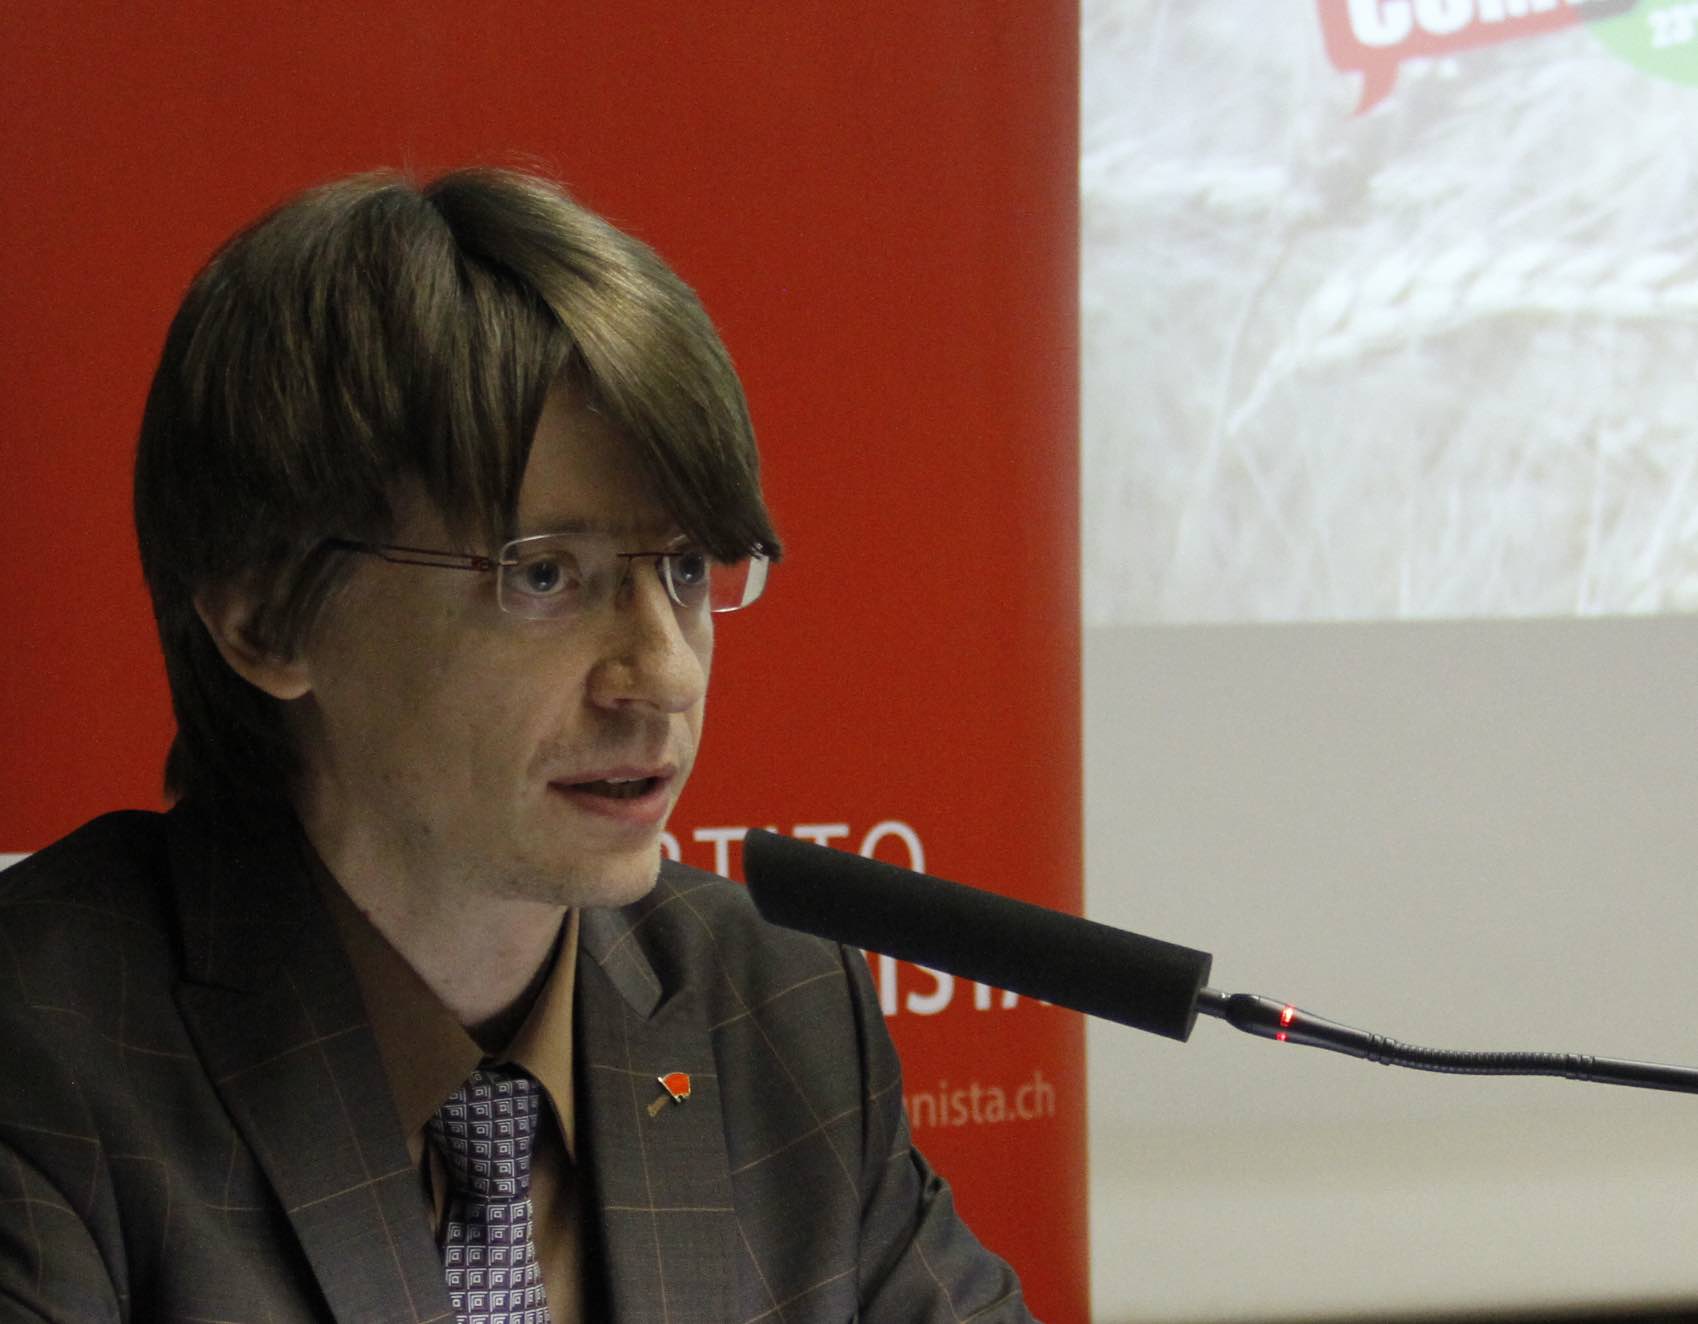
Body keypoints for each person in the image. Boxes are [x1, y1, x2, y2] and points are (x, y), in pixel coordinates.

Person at [0, 168, 1033, 1322]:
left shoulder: (775, 1007)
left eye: (686, 568)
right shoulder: (44, 1050)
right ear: (267, 618)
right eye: (545, 575)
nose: (667, 675)